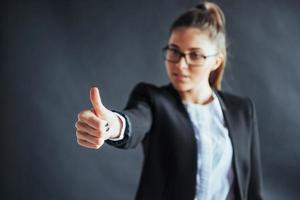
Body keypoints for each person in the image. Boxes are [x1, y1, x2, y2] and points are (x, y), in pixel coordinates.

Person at [75, 1, 264, 200]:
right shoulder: (153, 100)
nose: (181, 65)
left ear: (216, 61)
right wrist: (110, 125)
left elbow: (252, 190)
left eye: (195, 55)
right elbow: (135, 121)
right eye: (174, 51)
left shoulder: (242, 110)